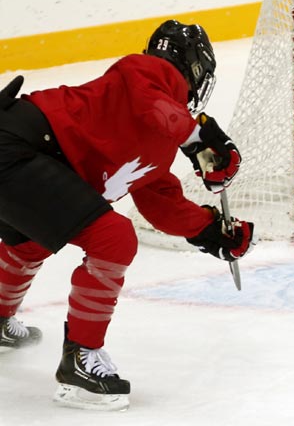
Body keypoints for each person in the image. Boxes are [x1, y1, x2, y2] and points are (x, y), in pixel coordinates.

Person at [0, 20, 255, 410]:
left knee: (31, 240)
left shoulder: (160, 140)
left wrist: (210, 231)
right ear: (197, 72)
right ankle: (80, 366)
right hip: (17, 146)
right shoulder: (145, 73)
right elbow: (151, 100)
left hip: (20, 158)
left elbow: (160, 201)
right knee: (113, 237)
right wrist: (199, 138)